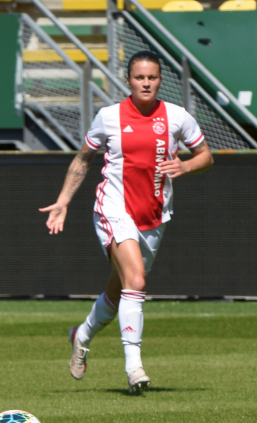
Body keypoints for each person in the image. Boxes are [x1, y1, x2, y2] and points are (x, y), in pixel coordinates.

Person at [39, 50, 213, 394]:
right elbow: (83, 158)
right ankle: (134, 366)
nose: (146, 83)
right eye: (139, 77)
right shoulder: (109, 116)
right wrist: (63, 201)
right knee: (136, 278)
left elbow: (206, 155)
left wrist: (186, 166)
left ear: (160, 80)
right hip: (113, 207)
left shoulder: (178, 116)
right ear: (128, 80)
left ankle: (82, 334)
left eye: (152, 77)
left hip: (155, 215)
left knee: (121, 289)